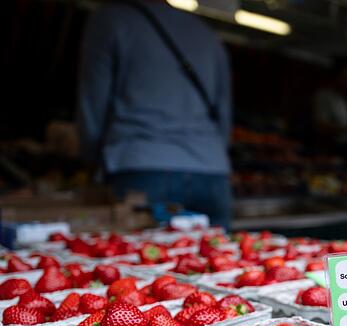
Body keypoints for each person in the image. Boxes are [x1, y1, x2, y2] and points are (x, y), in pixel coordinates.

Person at [78, 0, 232, 229]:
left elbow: (93, 100)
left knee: (139, 261)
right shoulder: (205, 33)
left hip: (141, 164)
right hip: (211, 170)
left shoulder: (110, 20)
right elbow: (224, 113)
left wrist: (92, 158)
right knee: (220, 258)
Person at [312, 56, 347, 151]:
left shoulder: (342, 99)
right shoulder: (324, 97)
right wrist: (343, 130)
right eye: (346, 78)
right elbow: (321, 127)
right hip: (328, 149)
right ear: (336, 76)